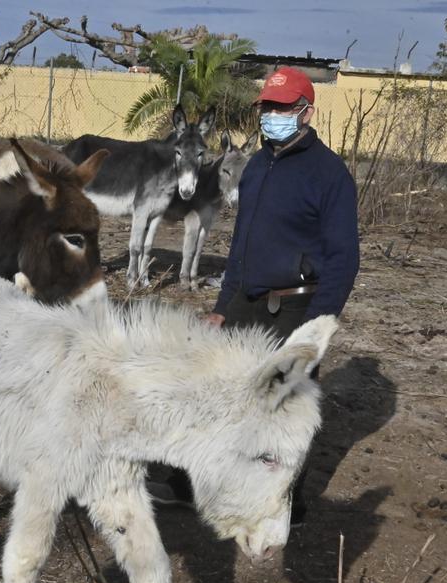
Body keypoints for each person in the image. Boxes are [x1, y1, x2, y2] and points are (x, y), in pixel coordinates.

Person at [153, 66, 360, 524]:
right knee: (220, 392)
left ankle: (285, 503)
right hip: (247, 300)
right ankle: (191, 484)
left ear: (306, 112)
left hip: (295, 306)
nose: (272, 115)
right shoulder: (257, 166)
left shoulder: (329, 175)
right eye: (267, 107)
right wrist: (224, 307)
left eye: (282, 108)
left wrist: (316, 328)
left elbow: (344, 258)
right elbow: (241, 245)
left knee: (286, 407)